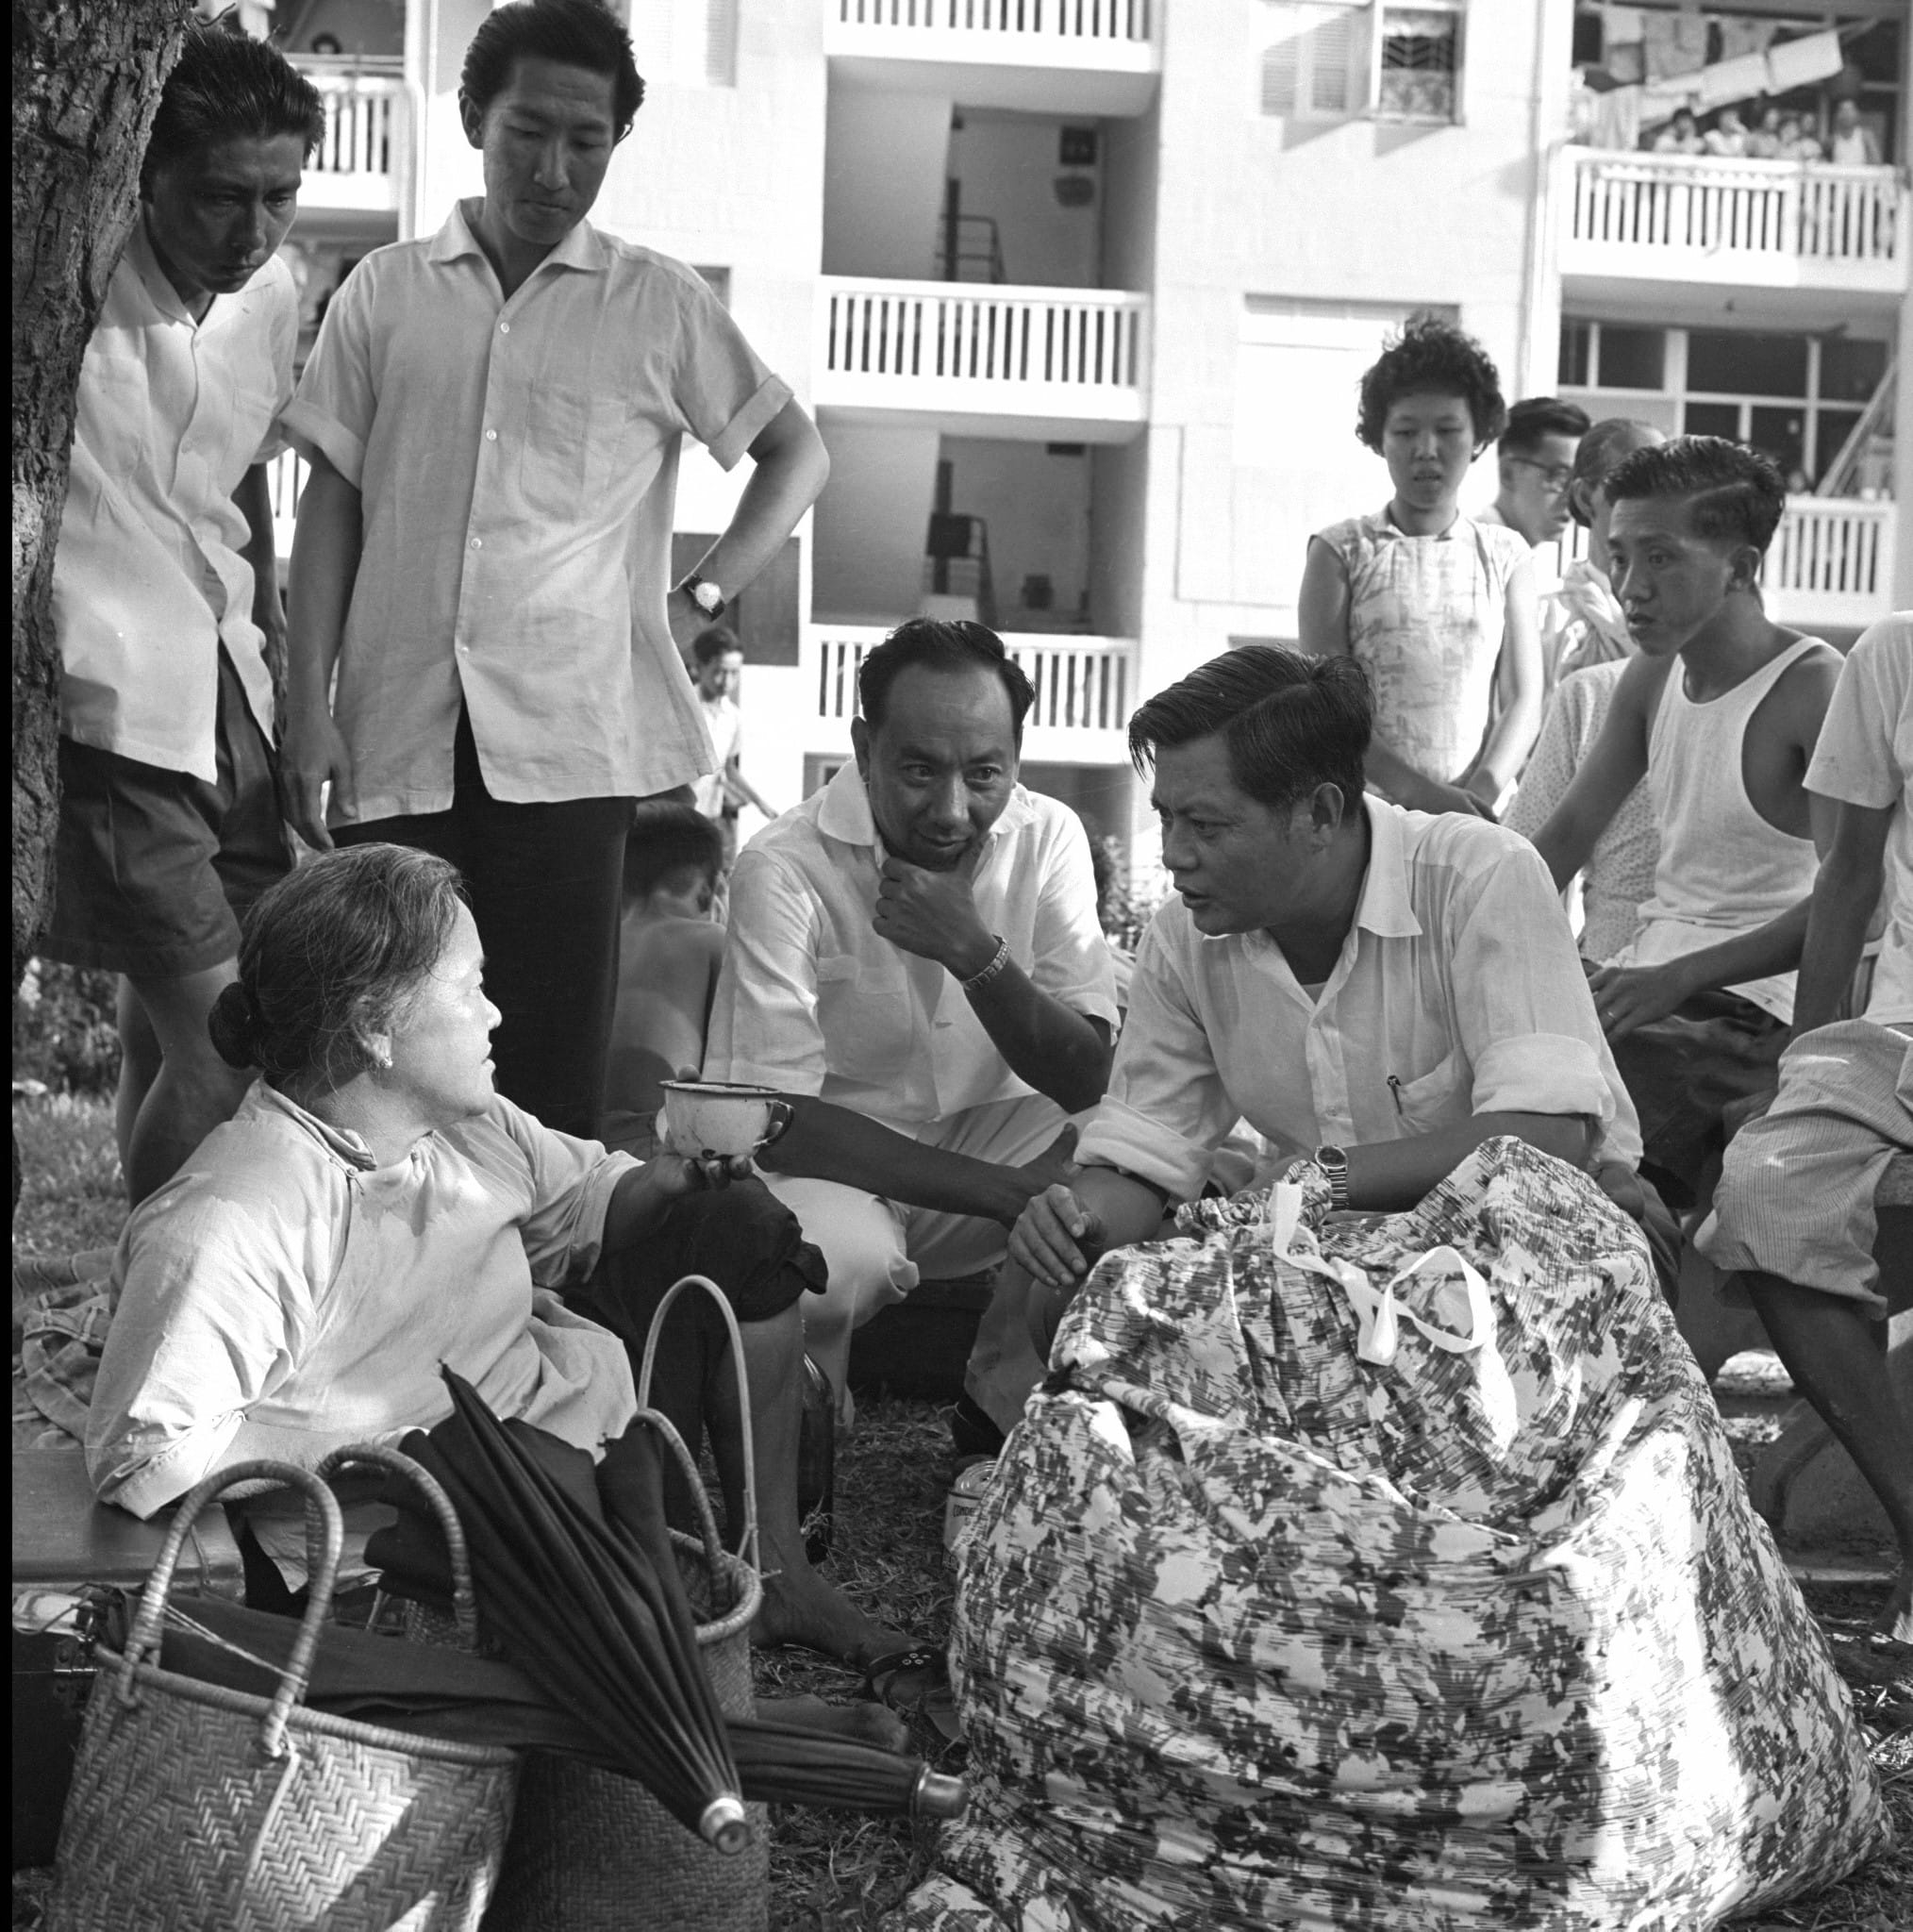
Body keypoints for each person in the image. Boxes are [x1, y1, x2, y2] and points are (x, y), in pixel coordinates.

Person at [82, 842, 905, 1671]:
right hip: (428, 1533)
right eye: (471, 989)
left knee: (735, 1222)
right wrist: (397, 1453)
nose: (495, 1014)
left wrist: (670, 1181)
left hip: (558, 1454)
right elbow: (144, 1458)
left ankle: (773, 1572)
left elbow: (585, 1201)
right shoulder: (236, 1214)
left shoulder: (470, 1127)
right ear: (376, 1026)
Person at [280, 0, 829, 1142]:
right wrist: (305, 703)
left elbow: (797, 452)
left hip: (573, 743)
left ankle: (539, 1310)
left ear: (616, 142)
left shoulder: (659, 302)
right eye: (529, 130)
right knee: (374, 1045)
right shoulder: (384, 291)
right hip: (396, 729)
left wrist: (702, 596)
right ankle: (375, 1296)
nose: (555, 165)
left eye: (587, 140)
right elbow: (331, 498)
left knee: (543, 1059)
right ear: (476, 115)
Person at [1005, 647, 1659, 1348]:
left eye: (1208, 825)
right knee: (1082, 1298)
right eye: (1166, 818)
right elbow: (1143, 1153)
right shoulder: (1184, 940)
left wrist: (1322, 1180)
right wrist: (1078, 1227)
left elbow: (1547, 1137)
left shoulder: (1478, 877)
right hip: (1321, 1258)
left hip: (1531, 1253)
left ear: (1321, 812)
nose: (1174, 853)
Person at [703, 618, 1119, 1455]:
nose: (951, 809)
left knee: (1136, 1143)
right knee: (827, 1266)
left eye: (984, 773)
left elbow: (1089, 1076)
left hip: (1007, 1149)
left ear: (1017, 755)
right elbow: (776, 1112)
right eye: (920, 770)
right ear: (864, 746)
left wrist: (975, 953)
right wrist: (1008, 1195)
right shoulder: (784, 865)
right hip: (841, 1170)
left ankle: (999, 1405)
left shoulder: (1050, 836)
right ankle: (813, 1379)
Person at [38, 26, 324, 1208]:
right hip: (113, 703)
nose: (251, 233)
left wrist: (288, 672)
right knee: (225, 1047)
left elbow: (242, 473)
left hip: (232, 682)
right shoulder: (63, 271)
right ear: (143, 174)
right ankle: (159, 1313)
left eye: (280, 196)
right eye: (218, 197)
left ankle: (140, 1308)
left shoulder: (276, 293)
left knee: (190, 1030)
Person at [1531, 439, 1841, 1207]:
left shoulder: (1815, 689)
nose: (1631, 588)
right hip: (1643, 982)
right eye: (1620, 558)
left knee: (1598, 1164)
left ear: (1739, 568)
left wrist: (1683, 976)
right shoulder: (1652, 673)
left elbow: (1852, 904)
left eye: (1662, 559)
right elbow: (1561, 842)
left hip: (1750, 1009)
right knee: (1470, 1084)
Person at [1696, 614, 1913, 1641]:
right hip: (1901, 1034)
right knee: (1766, 1189)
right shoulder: (1896, 653)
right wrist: (1806, 1057)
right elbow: (1849, 874)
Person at [1297, 314, 1541, 822]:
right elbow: (1330, 706)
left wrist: (1477, 795)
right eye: (1406, 431)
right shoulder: (1340, 551)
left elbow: (1523, 699)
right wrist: (1419, 795)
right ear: (1379, 439)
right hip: (1361, 815)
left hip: (1480, 816)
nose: (1426, 450)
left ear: (1478, 438)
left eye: (1448, 430)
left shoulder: (1506, 555)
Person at [1505, 419, 1666, 966]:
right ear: (1585, 496)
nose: (1655, 494)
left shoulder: (1696, 640)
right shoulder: (1546, 616)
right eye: (1631, 479)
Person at [605, 803, 726, 1153]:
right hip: (659, 1142)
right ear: (708, 890)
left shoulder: (596, 945)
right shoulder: (711, 940)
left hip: (578, 1139)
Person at [689, 627, 777, 865]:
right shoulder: (685, 708)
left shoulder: (733, 717)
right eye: (719, 672)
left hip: (713, 815)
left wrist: (761, 804)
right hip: (681, 812)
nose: (726, 681)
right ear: (700, 667)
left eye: (734, 673)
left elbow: (728, 768)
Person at [1478, 397, 1589, 551]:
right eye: (1559, 477)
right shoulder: (1470, 553)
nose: (1570, 499)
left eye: (1577, 482)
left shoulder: (1531, 559)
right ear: (1507, 473)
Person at [1827, 99, 1882, 167]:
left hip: (1860, 176)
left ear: (1856, 114)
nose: (1846, 114)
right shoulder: (1832, 139)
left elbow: (1877, 161)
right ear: (1838, 115)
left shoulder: (1865, 135)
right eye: (1843, 111)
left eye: (1849, 111)